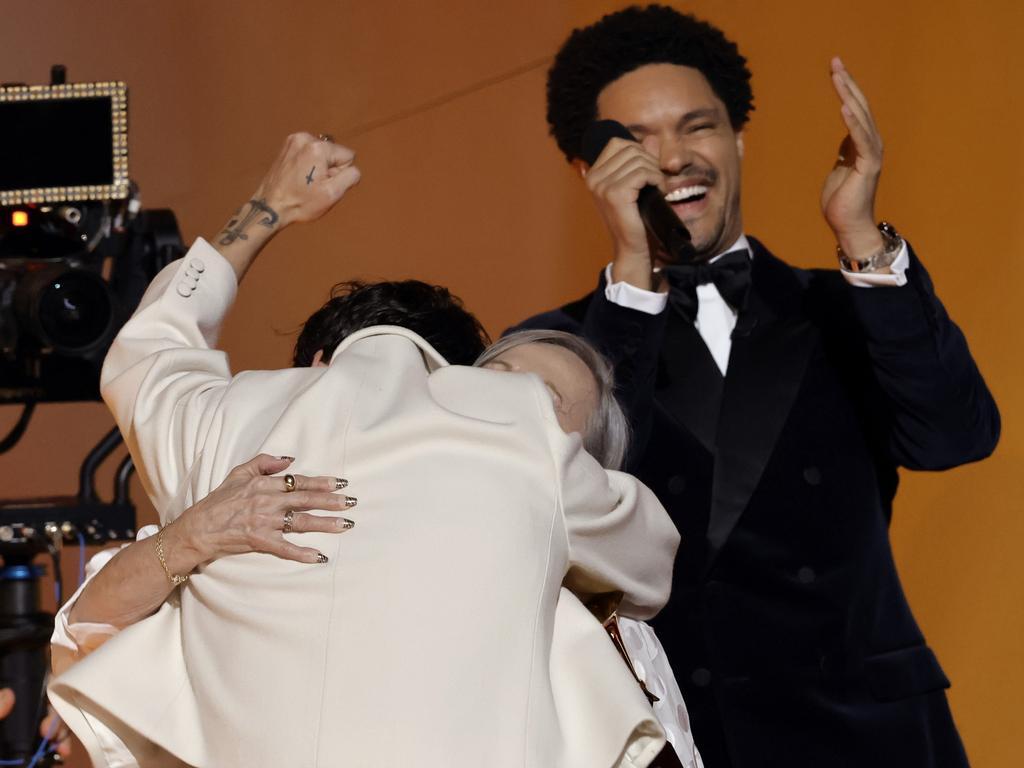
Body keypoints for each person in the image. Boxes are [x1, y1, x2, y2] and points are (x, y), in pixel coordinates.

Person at [48, 132, 680, 768]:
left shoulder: (224, 429)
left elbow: (149, 347)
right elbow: (651, 559)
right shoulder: (519, 434)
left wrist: (269, 207)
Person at [514, 5, 1000, 767]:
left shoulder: (847, 299)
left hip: (874, 736)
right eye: (635, 141)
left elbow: (956, 435)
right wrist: (635, 283)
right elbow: (560, 504)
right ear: (587, 172)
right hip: (689, 737)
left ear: (737, 137)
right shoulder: (558, 347)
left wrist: (861, 234)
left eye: (695, 126)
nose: (671, 158)